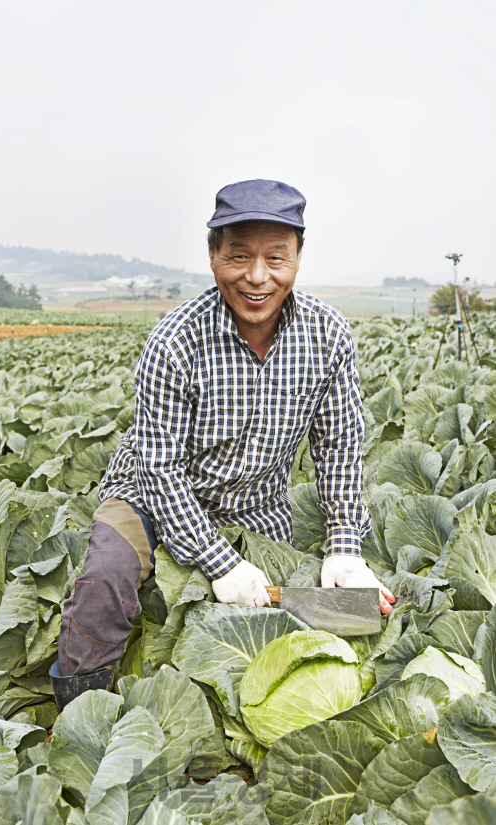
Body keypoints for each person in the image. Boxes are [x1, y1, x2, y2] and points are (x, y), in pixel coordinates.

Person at [51, 178, 395, 709]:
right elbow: (159, 470)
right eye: (239, 256)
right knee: (104, 582)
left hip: (256, 504)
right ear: (213, 258)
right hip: (149, 493)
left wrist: (346, 547)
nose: (258, 277)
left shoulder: (327, 336)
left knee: (300, 614)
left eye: (276, 258)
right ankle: (77, 712)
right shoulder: (175, 341)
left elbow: (341, 446)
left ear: (298, 258)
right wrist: (220, 562)